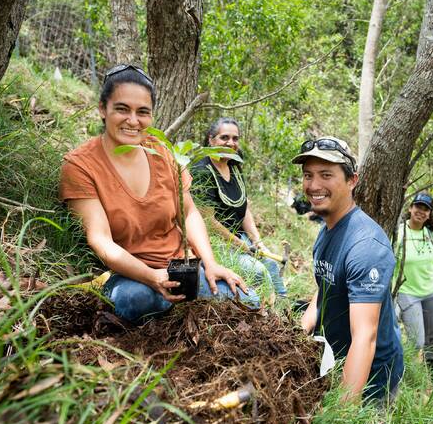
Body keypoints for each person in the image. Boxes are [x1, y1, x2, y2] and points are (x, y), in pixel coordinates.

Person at [59, 64, 258, 323]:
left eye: (142, 112)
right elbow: (100, 239)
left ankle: (179, 310)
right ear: (102, 109)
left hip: (181, 268)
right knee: (134, 301)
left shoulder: (162, 152)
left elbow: (189, 212)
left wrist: (210, 263)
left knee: (248, 302)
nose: (133, 121)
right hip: (130, 276)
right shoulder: (81, 165)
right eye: (122, 109)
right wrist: (152, 277)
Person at [293, 137, 403, 404]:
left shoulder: (366, 246)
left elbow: (366, 336)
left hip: (370, 380)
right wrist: (297, 335)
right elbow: (325, 287)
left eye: (326, 175)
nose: (314, 185)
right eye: (308, 175)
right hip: (334, 358)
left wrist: (343, 410)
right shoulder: (328, 228)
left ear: (352, 180)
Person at [191, 117, 287, 298]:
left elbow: (244, 208)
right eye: (224, 137)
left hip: (241, 239)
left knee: (271, 264)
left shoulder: (234, 166)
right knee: (259, 271)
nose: (231, 143)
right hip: (217, 244)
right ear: (211, 140)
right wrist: (241, 245)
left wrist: (258, 242)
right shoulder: (201, 171)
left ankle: (285, 306)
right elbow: (208, 221)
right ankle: (260, 307)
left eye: (235, 138)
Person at [393, 192, 433, 370]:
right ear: (411, 208)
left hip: (432, 293)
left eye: (426, 209)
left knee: (431, 338)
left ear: (429, 214)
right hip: (408, 293)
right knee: (416, 341)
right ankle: (403, 370)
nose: (421, 211)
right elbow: (391, 266)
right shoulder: (399, 232)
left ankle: (430, 369)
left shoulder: (432, 236)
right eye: (418, 206)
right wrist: (392, 298)